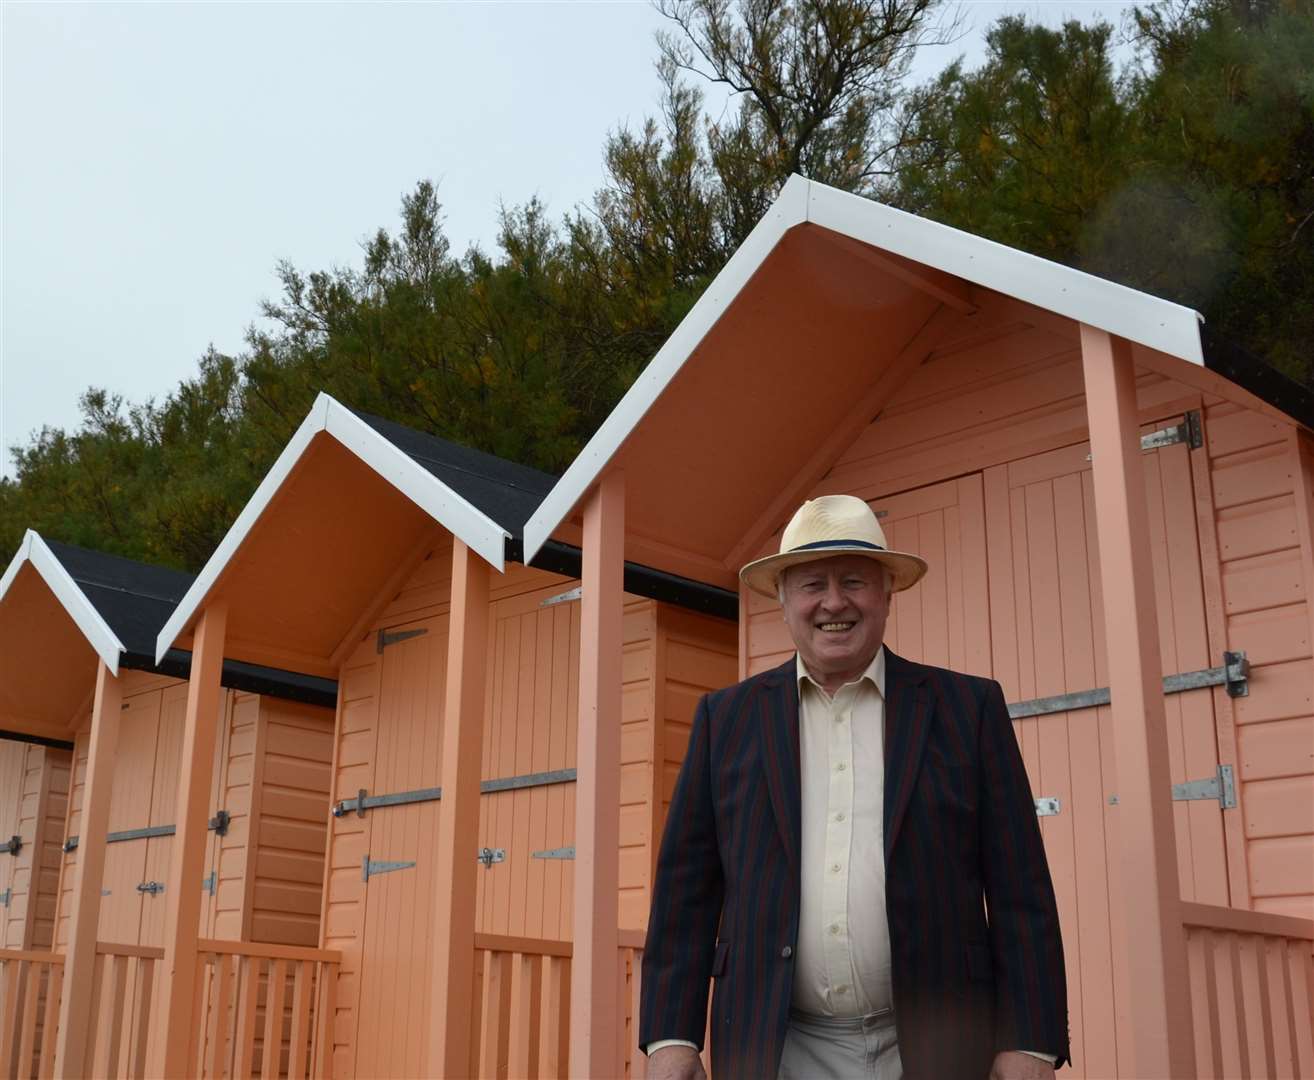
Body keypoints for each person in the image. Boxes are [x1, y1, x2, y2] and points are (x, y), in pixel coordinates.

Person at [640, 495, 1069, 1080]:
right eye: (812, 583)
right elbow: (685, 894)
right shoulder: (726, 720)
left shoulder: (969, 709)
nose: (833, 602)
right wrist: (671, 1036)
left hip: (940, 1045)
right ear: (784, 600)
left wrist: (1031, 1039)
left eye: (855, 582)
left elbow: (1022, 888)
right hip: (777, 1047)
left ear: (886, 593)